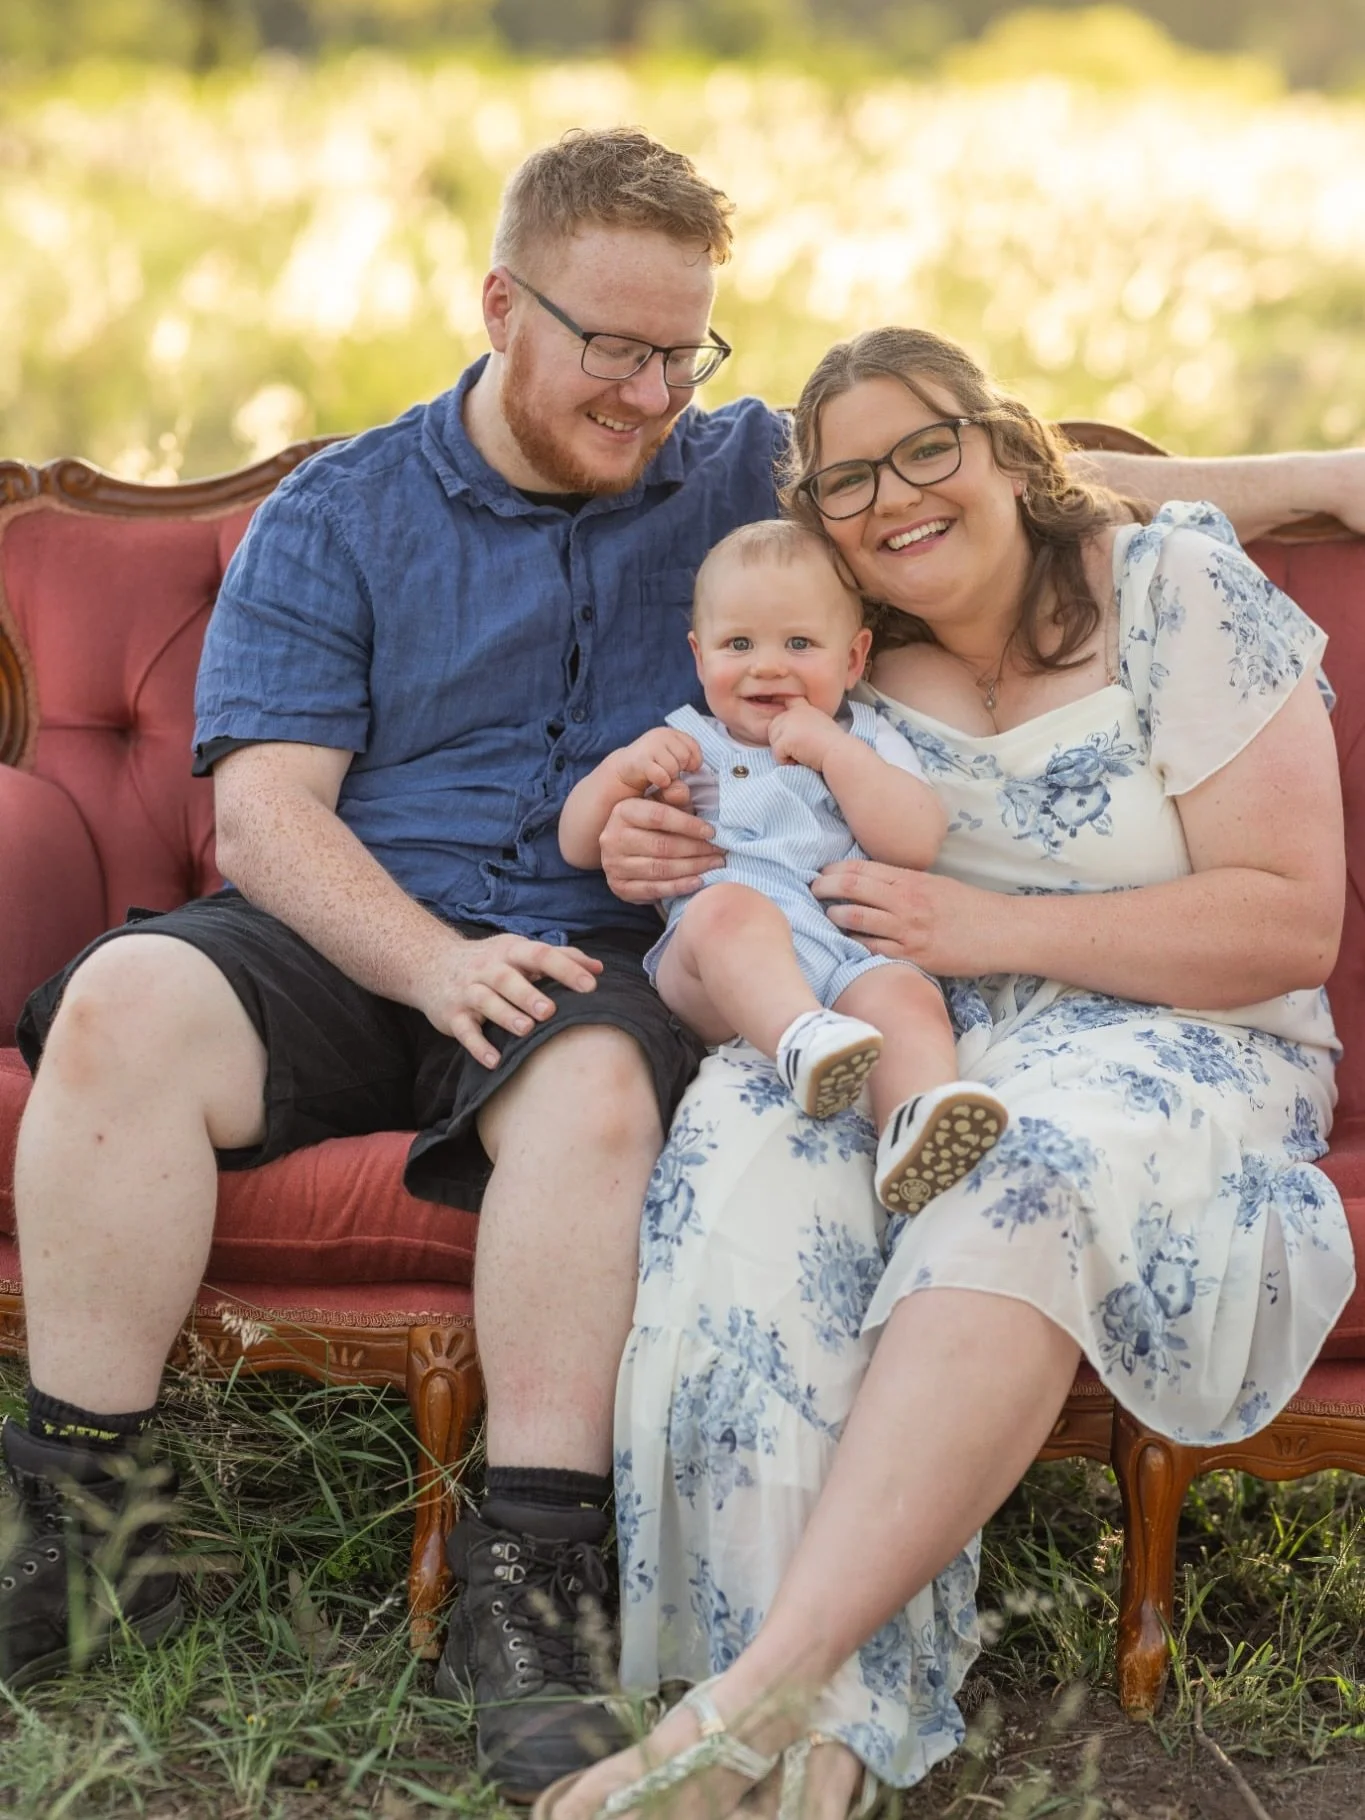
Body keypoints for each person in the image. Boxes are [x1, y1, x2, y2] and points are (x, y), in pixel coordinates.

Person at [0, 125, 1360, 1796]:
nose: (651, 394)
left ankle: (534, 1583)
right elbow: (268, 817)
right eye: (614, 349)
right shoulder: (337, 513)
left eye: (682, 354)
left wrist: (1318, 478)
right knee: (129, 1000)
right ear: (502, 306)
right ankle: (86, 1523)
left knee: (585, 1087)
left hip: (599, 960)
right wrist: (430, 963)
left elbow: (1013, 489)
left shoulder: (737, 477)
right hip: (356, 928)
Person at [535, 327, 1358, 1820]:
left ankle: (755, 1698)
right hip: (920, 1026)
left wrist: (984, 926)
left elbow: (1289, 921)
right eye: (849, 479)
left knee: (1017, 1168)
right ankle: (816, 1750)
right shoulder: (837, 658)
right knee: (742, 1155)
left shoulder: (1168, 587)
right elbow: (750, 850)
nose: (896, 497)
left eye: (929, 448)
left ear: (1006, 445)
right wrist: (657, 844)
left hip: (1188, 1038)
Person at [560, 519, 1007, 1211]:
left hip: (845, 953)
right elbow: (576, 845)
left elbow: (915, 841)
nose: (767, 666)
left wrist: (833, 752)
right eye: (738, 644)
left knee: (907, 996)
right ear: (699, 655)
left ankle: (914, 1122)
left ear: (853, 660)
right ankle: (799, 1038)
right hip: (715, 972)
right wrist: (620, 774)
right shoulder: (685, 742)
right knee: (728, 911)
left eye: (799, 644)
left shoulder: (866, 739)